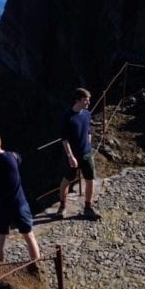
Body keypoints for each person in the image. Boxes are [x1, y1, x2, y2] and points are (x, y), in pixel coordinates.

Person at [0, 130, 41, 264]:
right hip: (19, 203)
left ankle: (0, 270)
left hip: (1, 207)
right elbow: (17, 158)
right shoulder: (12, 157)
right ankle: (36, 266)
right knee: (29, 236)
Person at [55, 87, 100, 220]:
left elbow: (89, 131)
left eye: (89, 100)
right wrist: (70, 156)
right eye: (86, 100)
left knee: (90, 179)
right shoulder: (67, 117)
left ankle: (88, 207)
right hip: (73, 156)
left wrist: (89, 146)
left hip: (86, 153)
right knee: (67, 180)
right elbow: (64, 139)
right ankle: (62, 207)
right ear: (78, 100)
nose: (88, 103)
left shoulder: (87, 114)